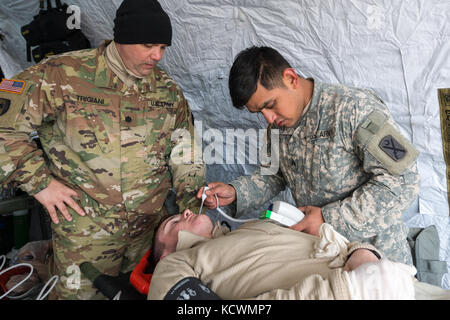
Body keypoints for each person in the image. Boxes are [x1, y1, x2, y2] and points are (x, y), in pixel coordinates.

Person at [0, 0, 204, 299]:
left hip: (147, 237)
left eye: (162, 47)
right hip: (85, 236)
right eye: (149, 45)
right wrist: (40, 183)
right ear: (122, 37)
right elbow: (4, 125)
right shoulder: (62, 75)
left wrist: (194, 199)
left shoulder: (167, 91)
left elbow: (186, 151)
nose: (157, 56)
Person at [198, 46, 420, 265]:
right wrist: (236, 192)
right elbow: (273, 175)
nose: (268, 119)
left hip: (377, 259)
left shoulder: (352, 108)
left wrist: (329, 219)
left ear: (291, 78)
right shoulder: (278, 127)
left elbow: (403, 179)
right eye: (259, 112)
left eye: (270, 105)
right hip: (324, 256)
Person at [147, 209, 449, 300]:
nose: (185, 212)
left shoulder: (248, 226)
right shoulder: (173, 265)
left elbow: (329, 243)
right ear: (164, 253)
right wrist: (347, 291)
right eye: (173, 223)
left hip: (388, 281)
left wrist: (363, 253)